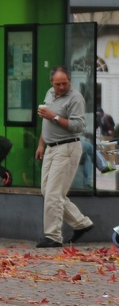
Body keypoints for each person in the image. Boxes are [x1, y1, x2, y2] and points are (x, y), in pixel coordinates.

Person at [35, 66, 94, 247]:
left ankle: (52, 236)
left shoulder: (75, 98)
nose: (61, 87)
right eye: (58, 84)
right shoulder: (50, 93)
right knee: (48, 191)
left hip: (67, 147)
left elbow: (78, 126)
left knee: (53, 193)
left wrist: (54, 117)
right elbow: (46, 121)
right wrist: (41, 144)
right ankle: (81, 223)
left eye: (65, 83)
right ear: (51, 83)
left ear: (69, 80)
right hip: (51, 148)